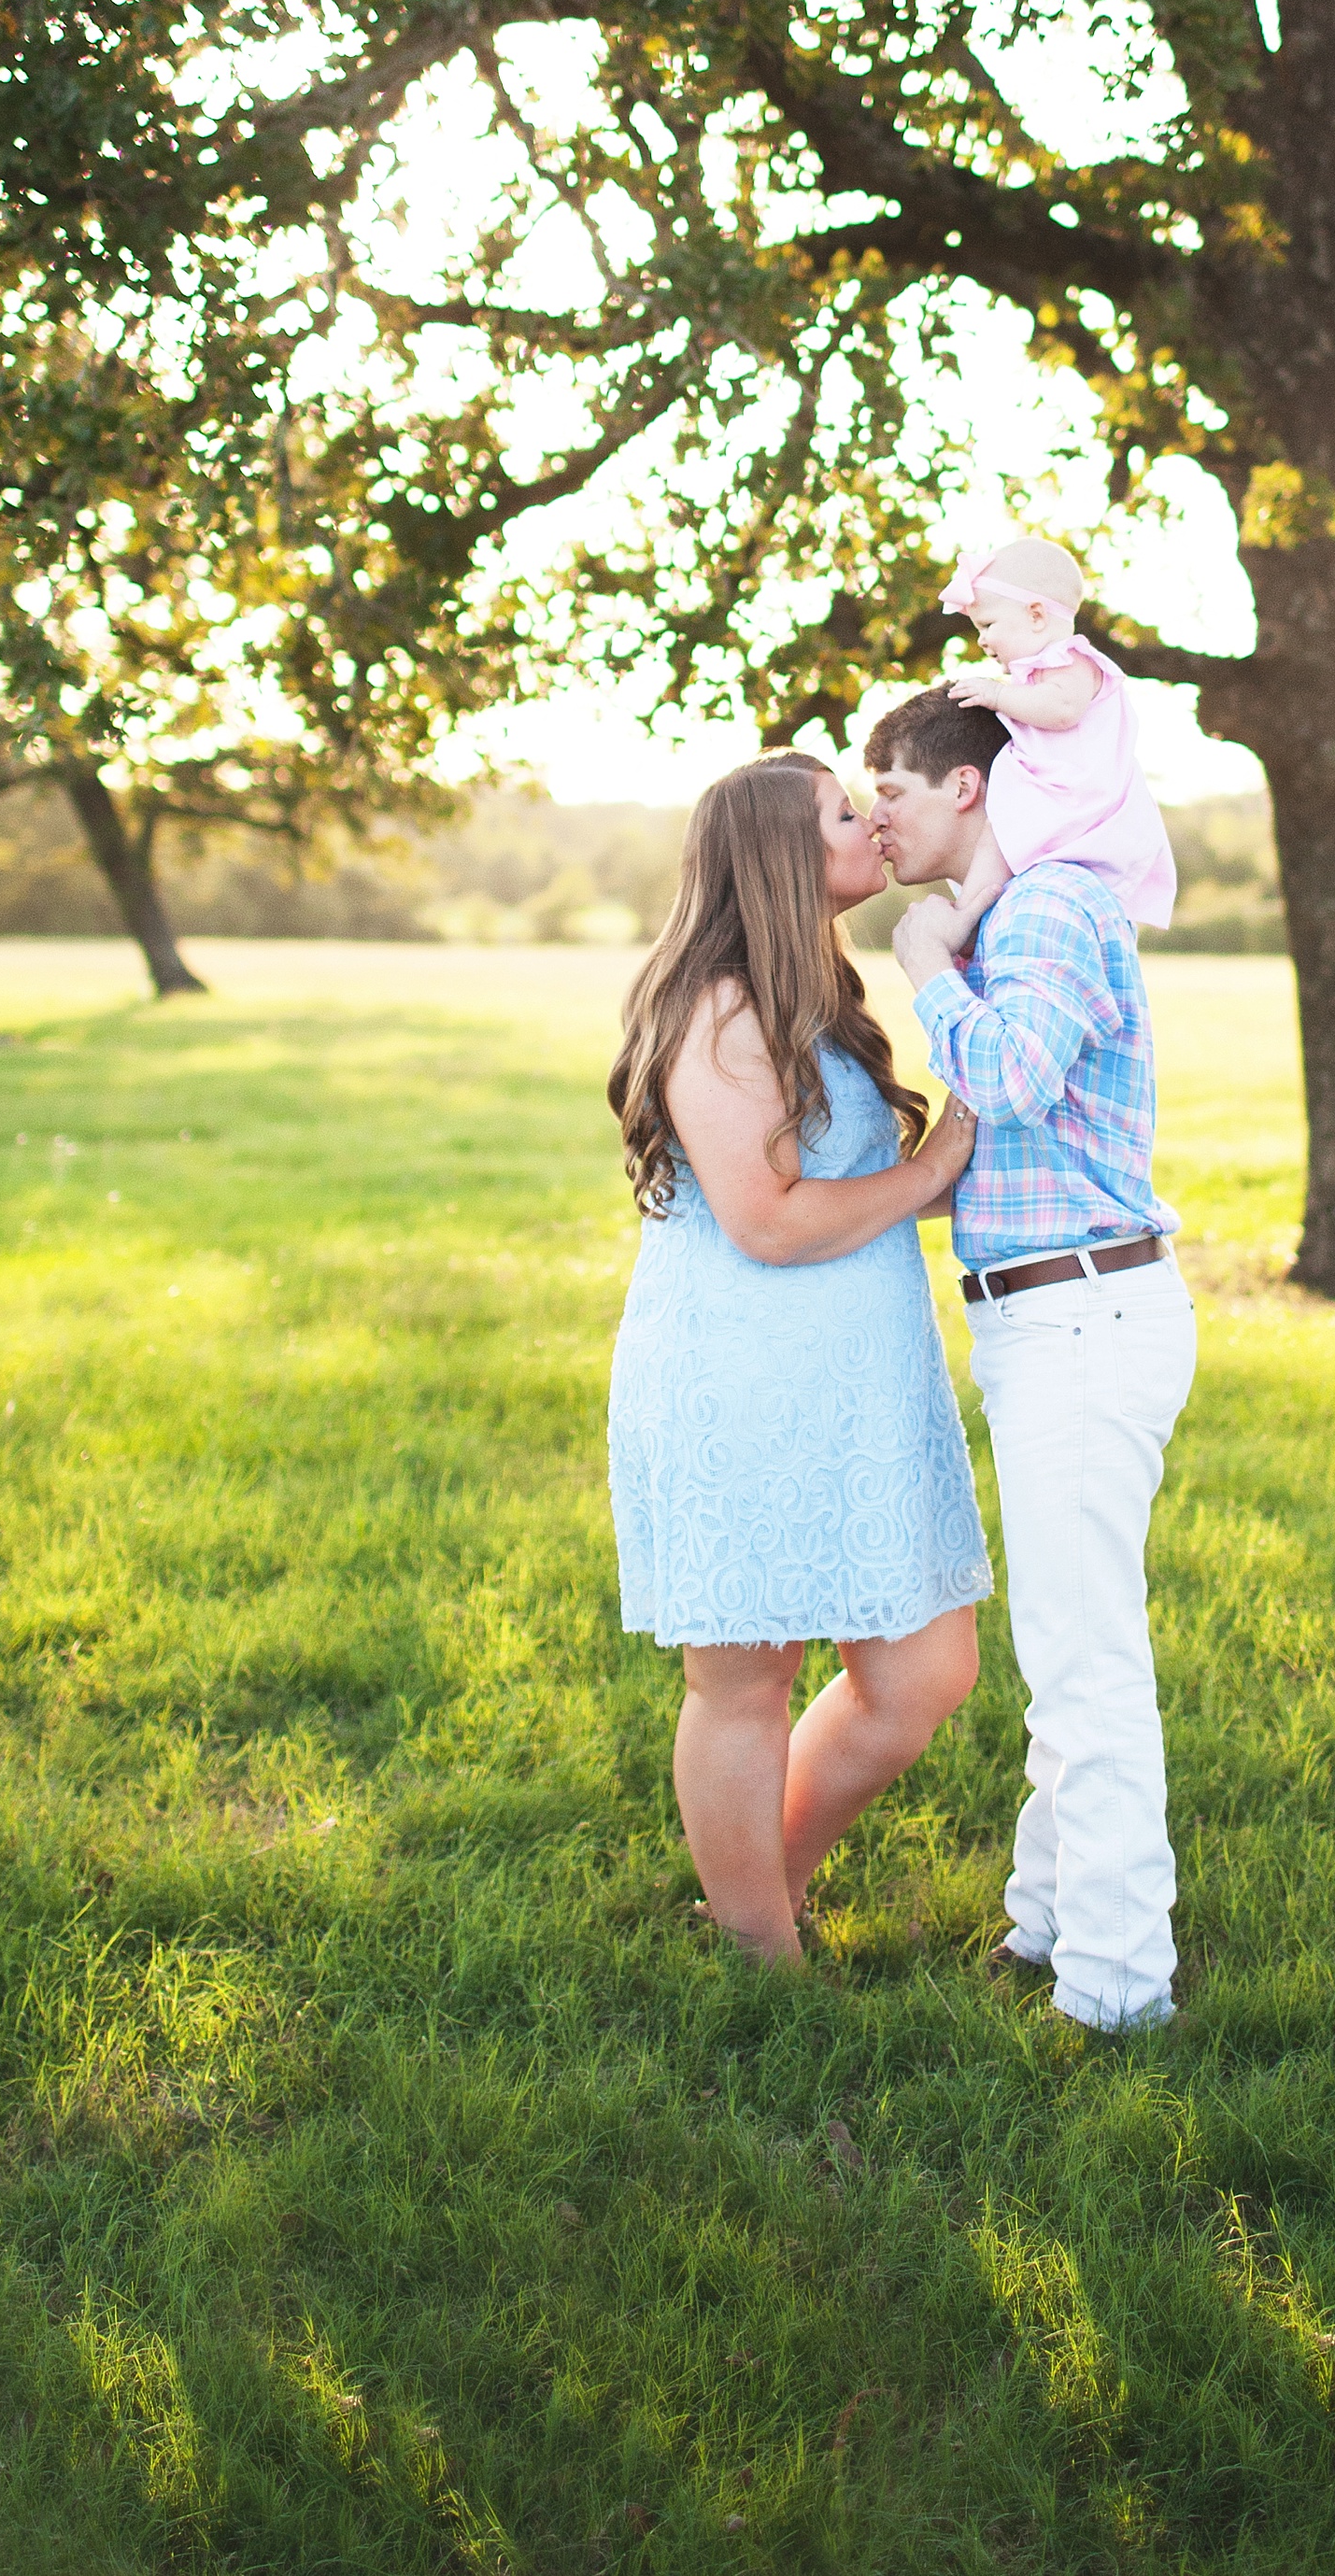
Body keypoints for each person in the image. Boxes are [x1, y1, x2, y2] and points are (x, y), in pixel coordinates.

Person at [604, 751, 991, 1966]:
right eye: (843, 810)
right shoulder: (718, 1004)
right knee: (746, 1672)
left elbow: (848, 1190)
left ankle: (755, 1894)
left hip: (859, 1379)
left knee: (922, 1673)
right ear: (779, 851)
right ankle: (761, 1954)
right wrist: (932, 1168)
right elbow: (768, 1220)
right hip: (743, 1379)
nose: (873, 820)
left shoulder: (814, 991)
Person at [867, 687, 1196, 2034]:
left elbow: (1005, 1077)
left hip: (1081, 1319)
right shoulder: (1012, 916)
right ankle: (1045, 1924)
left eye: (887, 784)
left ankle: (1115, 1996)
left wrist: (926, 966)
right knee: (1064, 1645)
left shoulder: (1048, 905)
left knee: (1085, 1664)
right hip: (1043, 1313)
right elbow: (998, 1145)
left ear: (964, 786)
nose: (873, 812)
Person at [930, 534, 1178, 954]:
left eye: (988, 626)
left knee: (1001, 834)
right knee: (997, 835)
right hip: (1059, 792)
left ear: (1037, 615)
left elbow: (1062, 709)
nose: (982, 641)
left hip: (1081, 798)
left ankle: (967, 918)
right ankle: (973, 916)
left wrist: (996, 695)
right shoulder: (1036, 673)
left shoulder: (1072, 660)